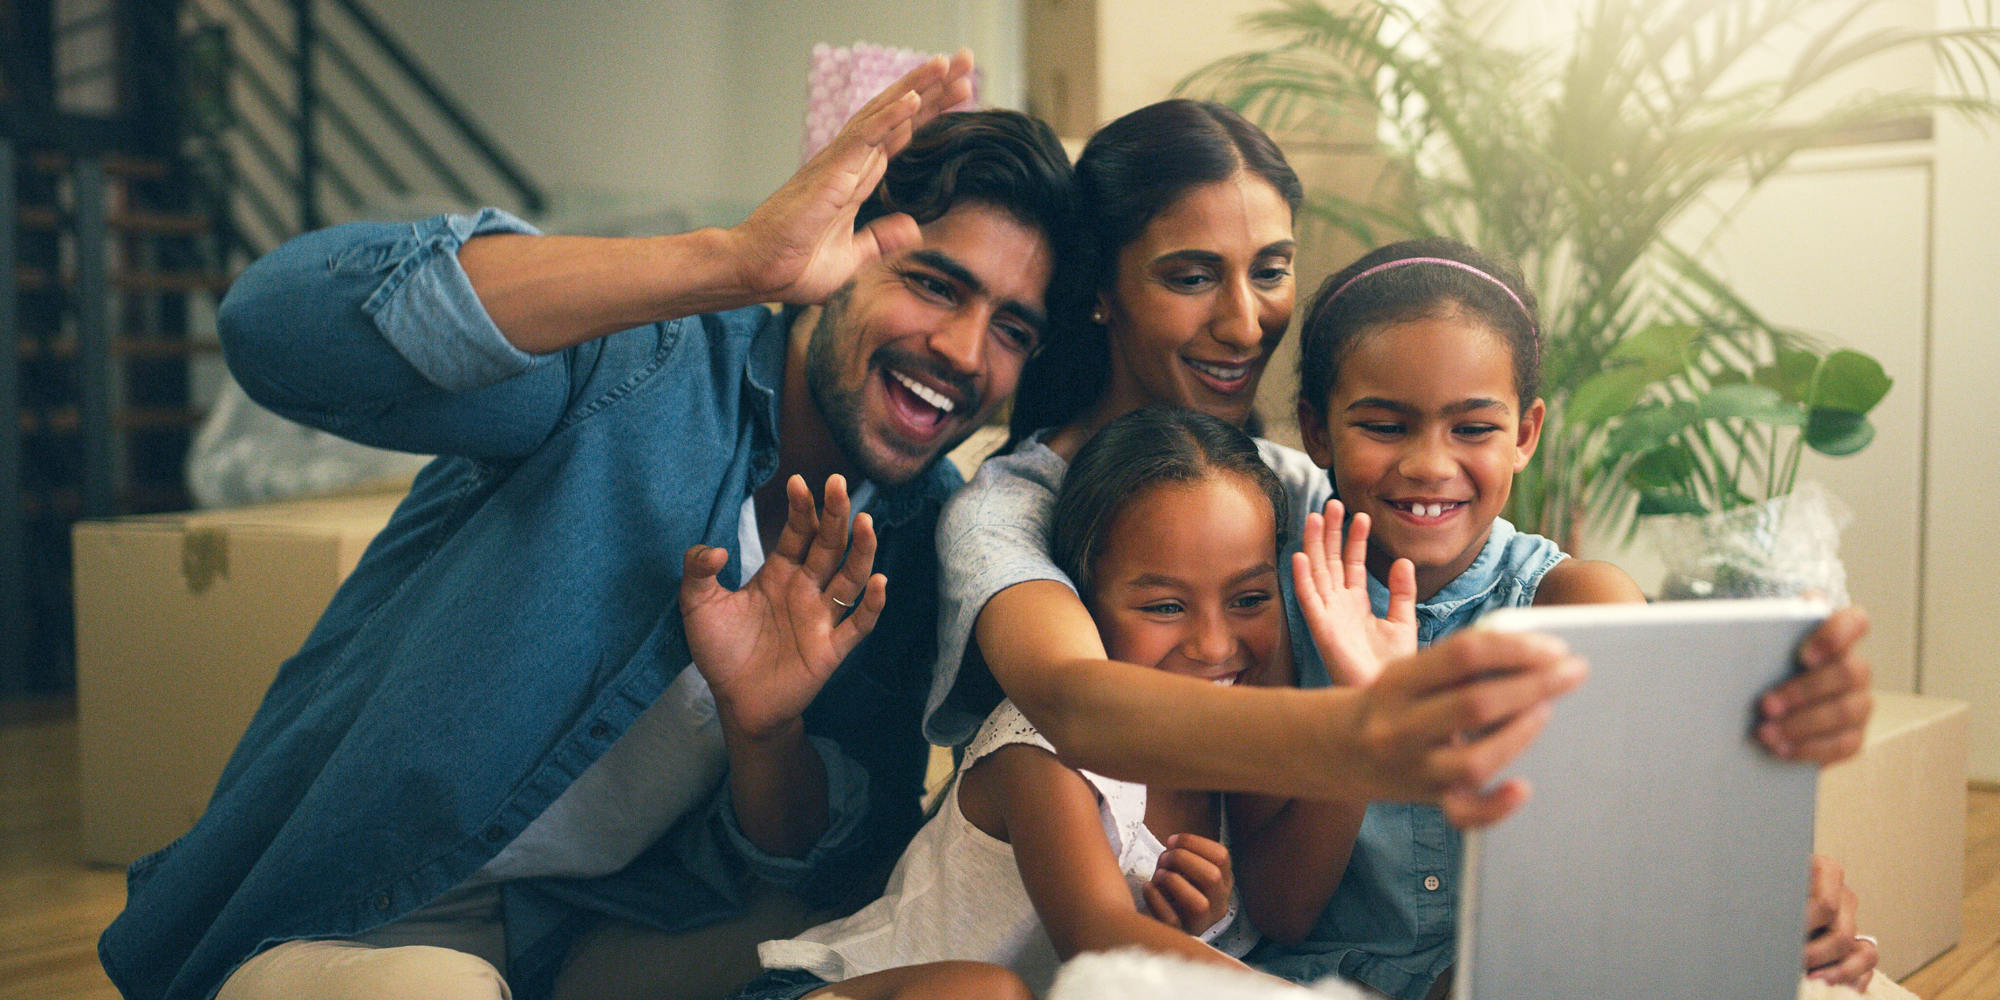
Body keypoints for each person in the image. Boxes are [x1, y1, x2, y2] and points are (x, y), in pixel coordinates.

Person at [98, 53, 1085, 1000]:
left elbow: (824, 862)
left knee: (898, 939)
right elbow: (272, 327)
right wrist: (733, 261)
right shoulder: (642, 364)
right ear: (841, 257)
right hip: (361, 921)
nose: (965, 353)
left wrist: (765, 731)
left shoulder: (915, 530)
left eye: (1012, 329)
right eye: (934, 284)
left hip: (586, 932)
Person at [926, 98, 1869, 846]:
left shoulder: (1306, 486)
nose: (1246, 323)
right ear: (1100, 290)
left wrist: (1754, 730)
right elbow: (1075, 702)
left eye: (1271, 270)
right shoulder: (1011, 507)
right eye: (1191, 275)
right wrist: (1367, 732)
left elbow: (1512, 586)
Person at [1253, 236, 1879, 997]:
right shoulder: (1269, 606)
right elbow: (1283, 913)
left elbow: (1664, 843)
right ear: (1317, 430)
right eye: (1385, 426)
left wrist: (1788, 894)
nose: (1430, 465)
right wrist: (1364, 714)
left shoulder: (1580, 606)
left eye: (1473, 429)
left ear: (1525, 434)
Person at [713, 407, 1359, 1000]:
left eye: (1249, 599)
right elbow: (1099, 944)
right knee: (987, 994)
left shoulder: (1232, 754)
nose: (1214, 644)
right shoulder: (1041, 743)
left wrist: (1191, 933)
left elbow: (1286, 913)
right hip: (834, 991)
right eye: (1165, 606)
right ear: (1083, 600)